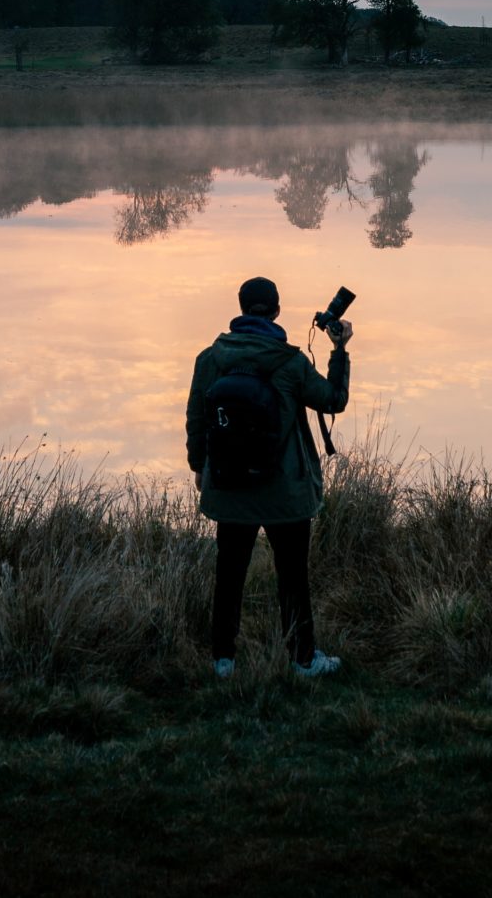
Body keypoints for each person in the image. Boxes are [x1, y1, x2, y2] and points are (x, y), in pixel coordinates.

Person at [185, 275, 351, 680]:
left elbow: (197, 420)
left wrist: (199, 469)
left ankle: (223, 661)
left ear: (241, 309)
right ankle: (304, 659)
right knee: (293, 576)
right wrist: (339, 349)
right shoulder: (290, 363)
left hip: (229, 485)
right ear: (276, 311)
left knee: (229, 575)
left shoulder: (210, 358)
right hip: (286, 493)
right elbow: (334, 400)